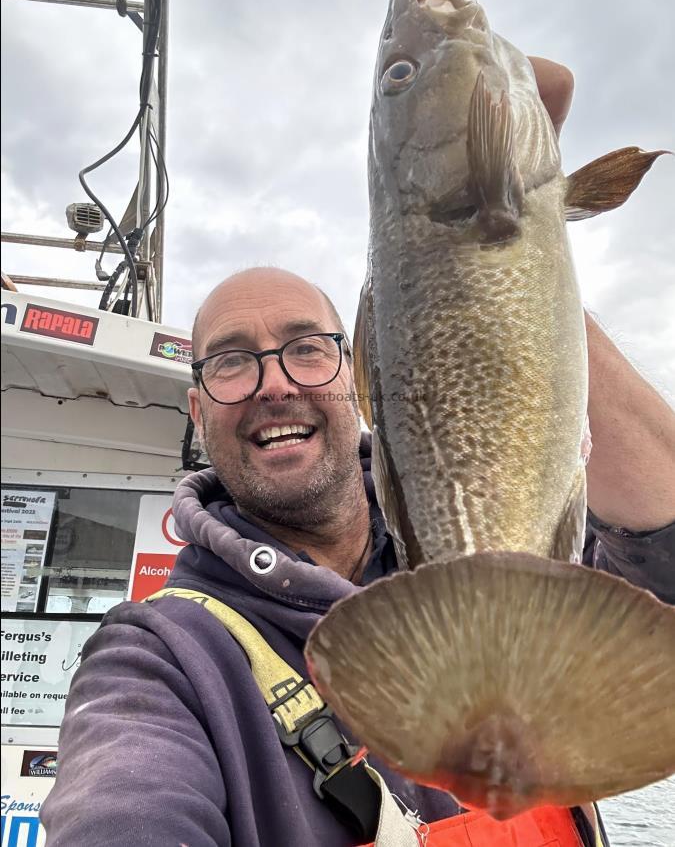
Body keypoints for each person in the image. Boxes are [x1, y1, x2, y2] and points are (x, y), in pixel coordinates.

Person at [41, 61, 675, 846]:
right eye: (232, 361)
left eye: (306, 349)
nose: (275, 385)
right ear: (198, 409)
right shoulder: (157, 659)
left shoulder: (497, 535)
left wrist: (504, 255)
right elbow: (122, 808)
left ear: (356, 375)